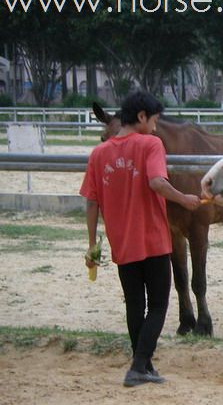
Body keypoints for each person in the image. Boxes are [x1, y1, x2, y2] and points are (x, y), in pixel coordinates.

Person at [80, 91, 201, 387]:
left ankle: (144, 364)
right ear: (142, 117)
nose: (157, 127)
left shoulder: (99, 153)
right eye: (156, 120)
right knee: (159, 304)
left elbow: (91, 201)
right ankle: (137, 366)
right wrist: (184, 198)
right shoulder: (150, 144)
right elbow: (157, 181)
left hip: (121, 240)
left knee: (134, 304)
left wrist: (93, 242)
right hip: (153, 238)